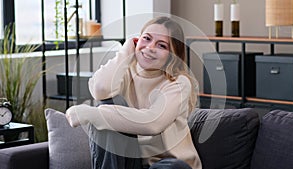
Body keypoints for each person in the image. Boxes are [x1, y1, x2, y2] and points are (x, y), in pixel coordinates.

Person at [66, 16, 202, 169]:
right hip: (129, 162)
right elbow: (100, 90)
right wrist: (125, 52)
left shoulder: (178, 82)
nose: (150, 47)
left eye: (161, 45)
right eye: (146, 38)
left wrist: (92, 114)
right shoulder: (126, 70)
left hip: (167, 164)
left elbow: (153, 123)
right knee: (108, 103)